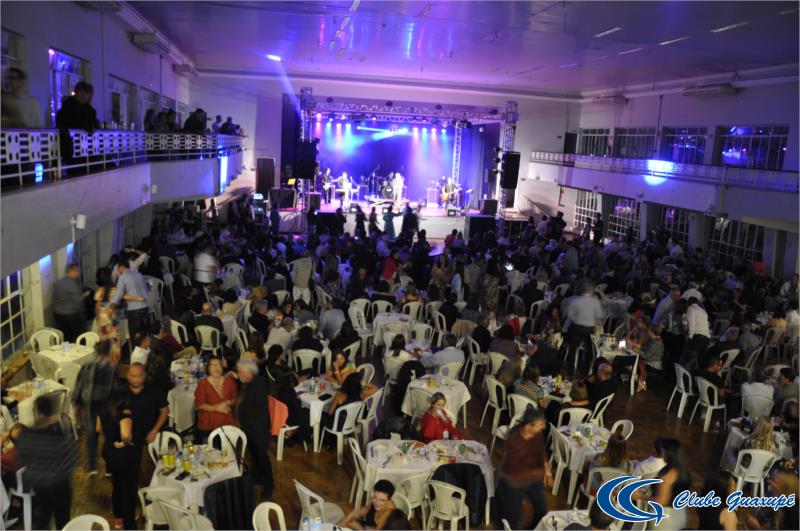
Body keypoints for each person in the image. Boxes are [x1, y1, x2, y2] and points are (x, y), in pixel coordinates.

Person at [15, 394, 79, 530]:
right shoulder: (60, 431)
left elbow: (22, 458)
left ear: (36, 412)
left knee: (43, 516)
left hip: (39, 485)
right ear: (52, 410)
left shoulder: (26, 433)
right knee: (63, 519)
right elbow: (72, 458)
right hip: (59, 484)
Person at [495, 408, 552, 529]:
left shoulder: (537, 434)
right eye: (539, 425)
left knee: (542, 511)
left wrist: (548, 472)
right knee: (512, 518)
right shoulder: (514, 439)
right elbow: (515, 469)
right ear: (527, 427)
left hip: (533, 479)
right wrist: (539, 472)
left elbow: (541, 452)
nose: (542, 427)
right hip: (515, 481)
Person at [71, 339, 117, 474]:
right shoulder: (112, 370)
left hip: (89, 405)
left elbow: (78, 388)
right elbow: (115, 391)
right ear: (109, 352)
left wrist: (77, 406)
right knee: (110, 436)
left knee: (91, 436)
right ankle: (110, 467)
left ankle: (91, 466)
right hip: (107, 406)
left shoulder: (86, 367)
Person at [98, 387, 139, 530]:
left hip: (109, 451)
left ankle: (118, 519)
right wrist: (127, 442)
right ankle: (129, 525)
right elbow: (126, 435)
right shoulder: (125, 413)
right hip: (123, 455)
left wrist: (111, 437)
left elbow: (98, 429)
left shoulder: (104, 409)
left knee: (117, 485)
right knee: (129, 491)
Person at [632, 438, 692, 530]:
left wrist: (639, 496)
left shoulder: (668, 474)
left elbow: (661, 500)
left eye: (663, 451)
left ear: (668, 453)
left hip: (664, 518)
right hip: (681, 514)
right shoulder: (684, 471)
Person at [235, 358, 274, 496]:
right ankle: (257, 476)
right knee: (254, 455)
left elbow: (254, 409)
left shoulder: (258, 385)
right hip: (250, 428)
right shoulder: (248, 383)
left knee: (262, 457)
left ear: (248, 372)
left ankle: (269, 485)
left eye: (240, 372)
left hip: (258, 429)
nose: (238, 374)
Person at [55, 80, 99, 169]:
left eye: (86, 93)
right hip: (72, 147)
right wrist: (88, 127)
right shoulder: (67, 107)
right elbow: (71, 121)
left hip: (87, 149)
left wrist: (93, 126)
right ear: (76, 92)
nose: (83, 95)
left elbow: (95, 123)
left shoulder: (91, 110)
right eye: (81, 91)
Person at [564, 281, 604, 376]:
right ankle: (588, 368)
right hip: (589, 330)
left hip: (577, 328)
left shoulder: (575, 300)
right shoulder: (595, 301)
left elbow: (569, 316)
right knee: (591, 346)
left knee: (573, 346)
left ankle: (571, 368)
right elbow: (599, 316)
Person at [194, 357, 238, 441]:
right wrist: (216, 408)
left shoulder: (229, 381)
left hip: (227, 421)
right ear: (208, 368)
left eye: (219, 365)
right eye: (213, 365)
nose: (216, 367)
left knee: (227, 447)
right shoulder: (202, 384)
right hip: (208, 423)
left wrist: (227, 402)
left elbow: (235, 399)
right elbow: (199, 404)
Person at [111, 257, 150, 339]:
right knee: (144, 335)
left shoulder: (123, 276)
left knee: (135, 336)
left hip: (135, 310)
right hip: (146, 307)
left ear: (121, 267)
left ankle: (135, 347)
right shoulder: (139, 274)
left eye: (118, 268)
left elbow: (118, 295)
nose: (117, 270)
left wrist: (111, 306)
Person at [52, 263, 87, 342]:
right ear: (71, 271)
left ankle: (66, 349)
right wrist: (82, 313)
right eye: (77, 271)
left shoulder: (57, 283)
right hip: (71, 316)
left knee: (65, 337)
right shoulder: (72, 284)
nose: (79, 274)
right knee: (78, 338)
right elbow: (77, 303)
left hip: (58, 315)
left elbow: (55, 299)